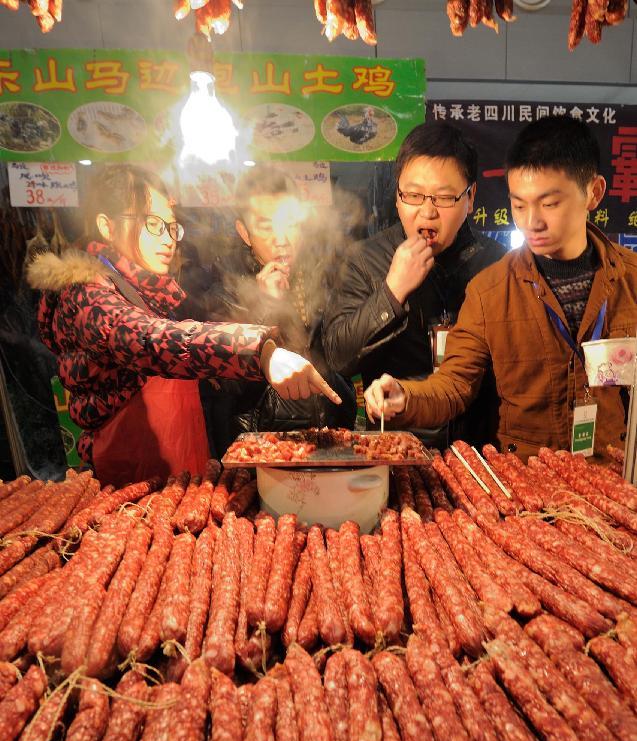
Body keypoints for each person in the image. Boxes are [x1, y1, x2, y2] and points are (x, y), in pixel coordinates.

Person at [27, 165, 341, 486]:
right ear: (107, 226)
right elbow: (152, 339)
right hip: (130, 487)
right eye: (152, 224)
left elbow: (200, 338)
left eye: (172, 228)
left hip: (186, 477)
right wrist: (261, 351)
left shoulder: (155, 293)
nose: (167, 240)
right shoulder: (87, 293)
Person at [364, 115, 637, 464]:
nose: (531, 221)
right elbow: (454, 383)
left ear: (593, 193)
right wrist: (406, 396)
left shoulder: (631, 280)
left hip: (613, 475)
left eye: (549, 203)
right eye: (519, 204)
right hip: (525, 484)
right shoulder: (489, 290)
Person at [322, 120, 506, 446]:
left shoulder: (496, 264)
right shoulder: (365, 259)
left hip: (480, 451)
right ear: (397, 196)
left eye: (444, 197)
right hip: (396, 446)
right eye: (414, 194)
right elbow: (337, 356)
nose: (427, 211)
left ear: (470, 197)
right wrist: (392, 293)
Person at [199, 165, 355, 455]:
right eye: (266, 226)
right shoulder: (223, 293)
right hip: (261, 455)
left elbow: (343, 369)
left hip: (324, 448)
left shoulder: (323, 283)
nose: (281, 238)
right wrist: (265, 307)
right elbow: (225, 386)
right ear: (244, 232)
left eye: (290, 223)